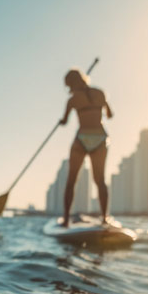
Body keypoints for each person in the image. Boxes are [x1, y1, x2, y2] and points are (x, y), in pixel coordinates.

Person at [58, 67, 112, 227]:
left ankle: (66, 220)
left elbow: (65, 121)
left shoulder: (72, 100)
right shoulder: (100, 93)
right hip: (100, 138)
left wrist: (61, 121)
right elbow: (110, 115)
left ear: (71, 85)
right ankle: (104, 218)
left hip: (82, 138)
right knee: (100, 180)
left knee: (71, 180)